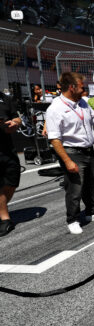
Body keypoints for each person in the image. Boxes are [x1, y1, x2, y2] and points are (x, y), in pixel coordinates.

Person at [45, 72, 94, 234]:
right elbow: (54, 139)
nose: (85, 90)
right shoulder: (55, 108)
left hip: (89, 151)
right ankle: (72, 219)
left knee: (90, 183)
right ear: (72, 88)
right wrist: (67, 161)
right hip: (72, 152)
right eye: (82, 87)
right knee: (74, 188)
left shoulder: (83, 103)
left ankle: (91, 212)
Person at [0, 91, 22, 236]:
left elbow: (17, 118)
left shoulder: (5, 98)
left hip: (7, 149)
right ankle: (5, 218)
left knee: (13, 180)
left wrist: (15, 123)